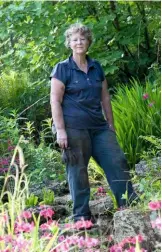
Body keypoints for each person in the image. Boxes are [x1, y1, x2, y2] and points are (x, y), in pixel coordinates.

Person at [50, 23, 138, 223]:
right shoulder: (62, 69)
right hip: (73, 128)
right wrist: (61, 130)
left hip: (99, 127)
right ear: (69, 44)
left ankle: (128, 204)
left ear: (88, 42)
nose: (79, 42)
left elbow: (105, 97)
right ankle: (81, 217)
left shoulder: (96, 67)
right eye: (75, 39)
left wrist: (111, 125)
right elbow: (55, 100)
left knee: (117, 161)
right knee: (78, 171)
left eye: (82, 38)